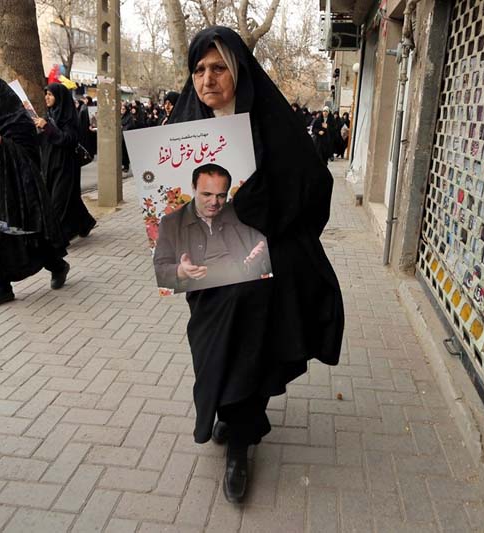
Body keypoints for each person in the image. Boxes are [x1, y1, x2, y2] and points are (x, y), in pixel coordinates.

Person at [166, 27, 344, 503]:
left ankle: (240, 444)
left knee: (248, 350)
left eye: (218, 68)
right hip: (206, 273)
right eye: (198, 69)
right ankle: (227, 413)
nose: (207, 79)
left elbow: (311, 185)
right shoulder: (183, 128)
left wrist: (258, 216)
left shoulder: (269, 125)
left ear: (239, 72)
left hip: (257, 271)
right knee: (211, 348)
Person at [0, 76, 70, 309]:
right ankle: (0, 287)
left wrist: (2, 143)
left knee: (31, 235)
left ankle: (57, 265)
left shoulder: (19, 121)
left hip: (19, 188)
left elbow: (30, 155)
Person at [153, 163, 270, 293]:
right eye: (207, 194)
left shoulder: (241, 213)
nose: (214, 202)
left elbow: (267, 250)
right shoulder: (171, 223)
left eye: (221, 196)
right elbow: (158, 271)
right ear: (193, 188)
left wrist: (262, 255)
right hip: (202, 295)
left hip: (246, 290)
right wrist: (181, 271)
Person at [35, 83, 96, 241]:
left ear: (60, 97)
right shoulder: (49, 115)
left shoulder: (69, 117)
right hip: (50, 164)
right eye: (46, 94)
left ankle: (58, 238)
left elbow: (68, 139)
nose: (47, 97)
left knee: (58, 201)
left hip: (65, 165)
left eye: (50, 94)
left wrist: (47, 127)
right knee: (70, 199)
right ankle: (85, 223)